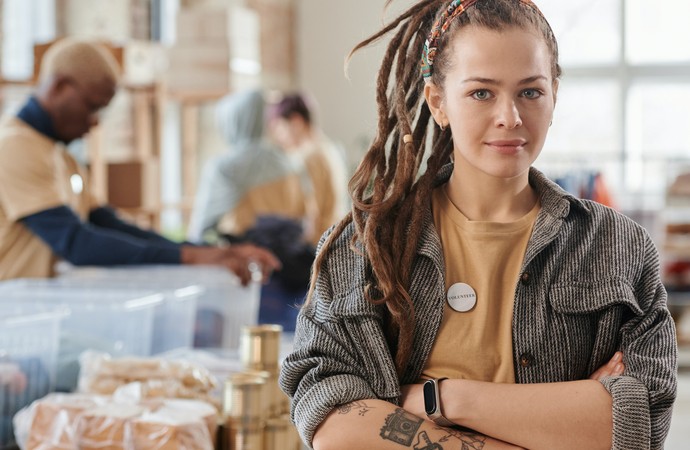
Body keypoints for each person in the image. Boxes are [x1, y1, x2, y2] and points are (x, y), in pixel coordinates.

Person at [279, 1, 678, 449]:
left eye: (530, 91)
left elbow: (638, 423)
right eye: (481, 93)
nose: (510, 116)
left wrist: (443, 398)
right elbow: (332, 420)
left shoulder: (618, 247)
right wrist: (562, 419)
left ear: (554, 95)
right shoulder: (366, 246)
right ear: (438, 102)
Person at [0, 38, 280, 285]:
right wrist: (193, 257)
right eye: (91, 106)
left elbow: (108, 225)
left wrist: (213, 252)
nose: (95, 121)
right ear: (60, 86)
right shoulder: (15, 147)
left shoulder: (59, 155)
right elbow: (77, 243)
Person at [187, 89, 313, 245]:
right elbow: (307, 219)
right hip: (293, 260)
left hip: (244, 262)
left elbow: (200, 232)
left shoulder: (223, 168)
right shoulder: (292, 162)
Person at [268, 93, 349, 241]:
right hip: (333, 239)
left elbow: (311, 213)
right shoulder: (329, 148)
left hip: (317, 246)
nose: (278, 137)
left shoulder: (309, 157)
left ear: (296, 122)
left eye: (279, 128)